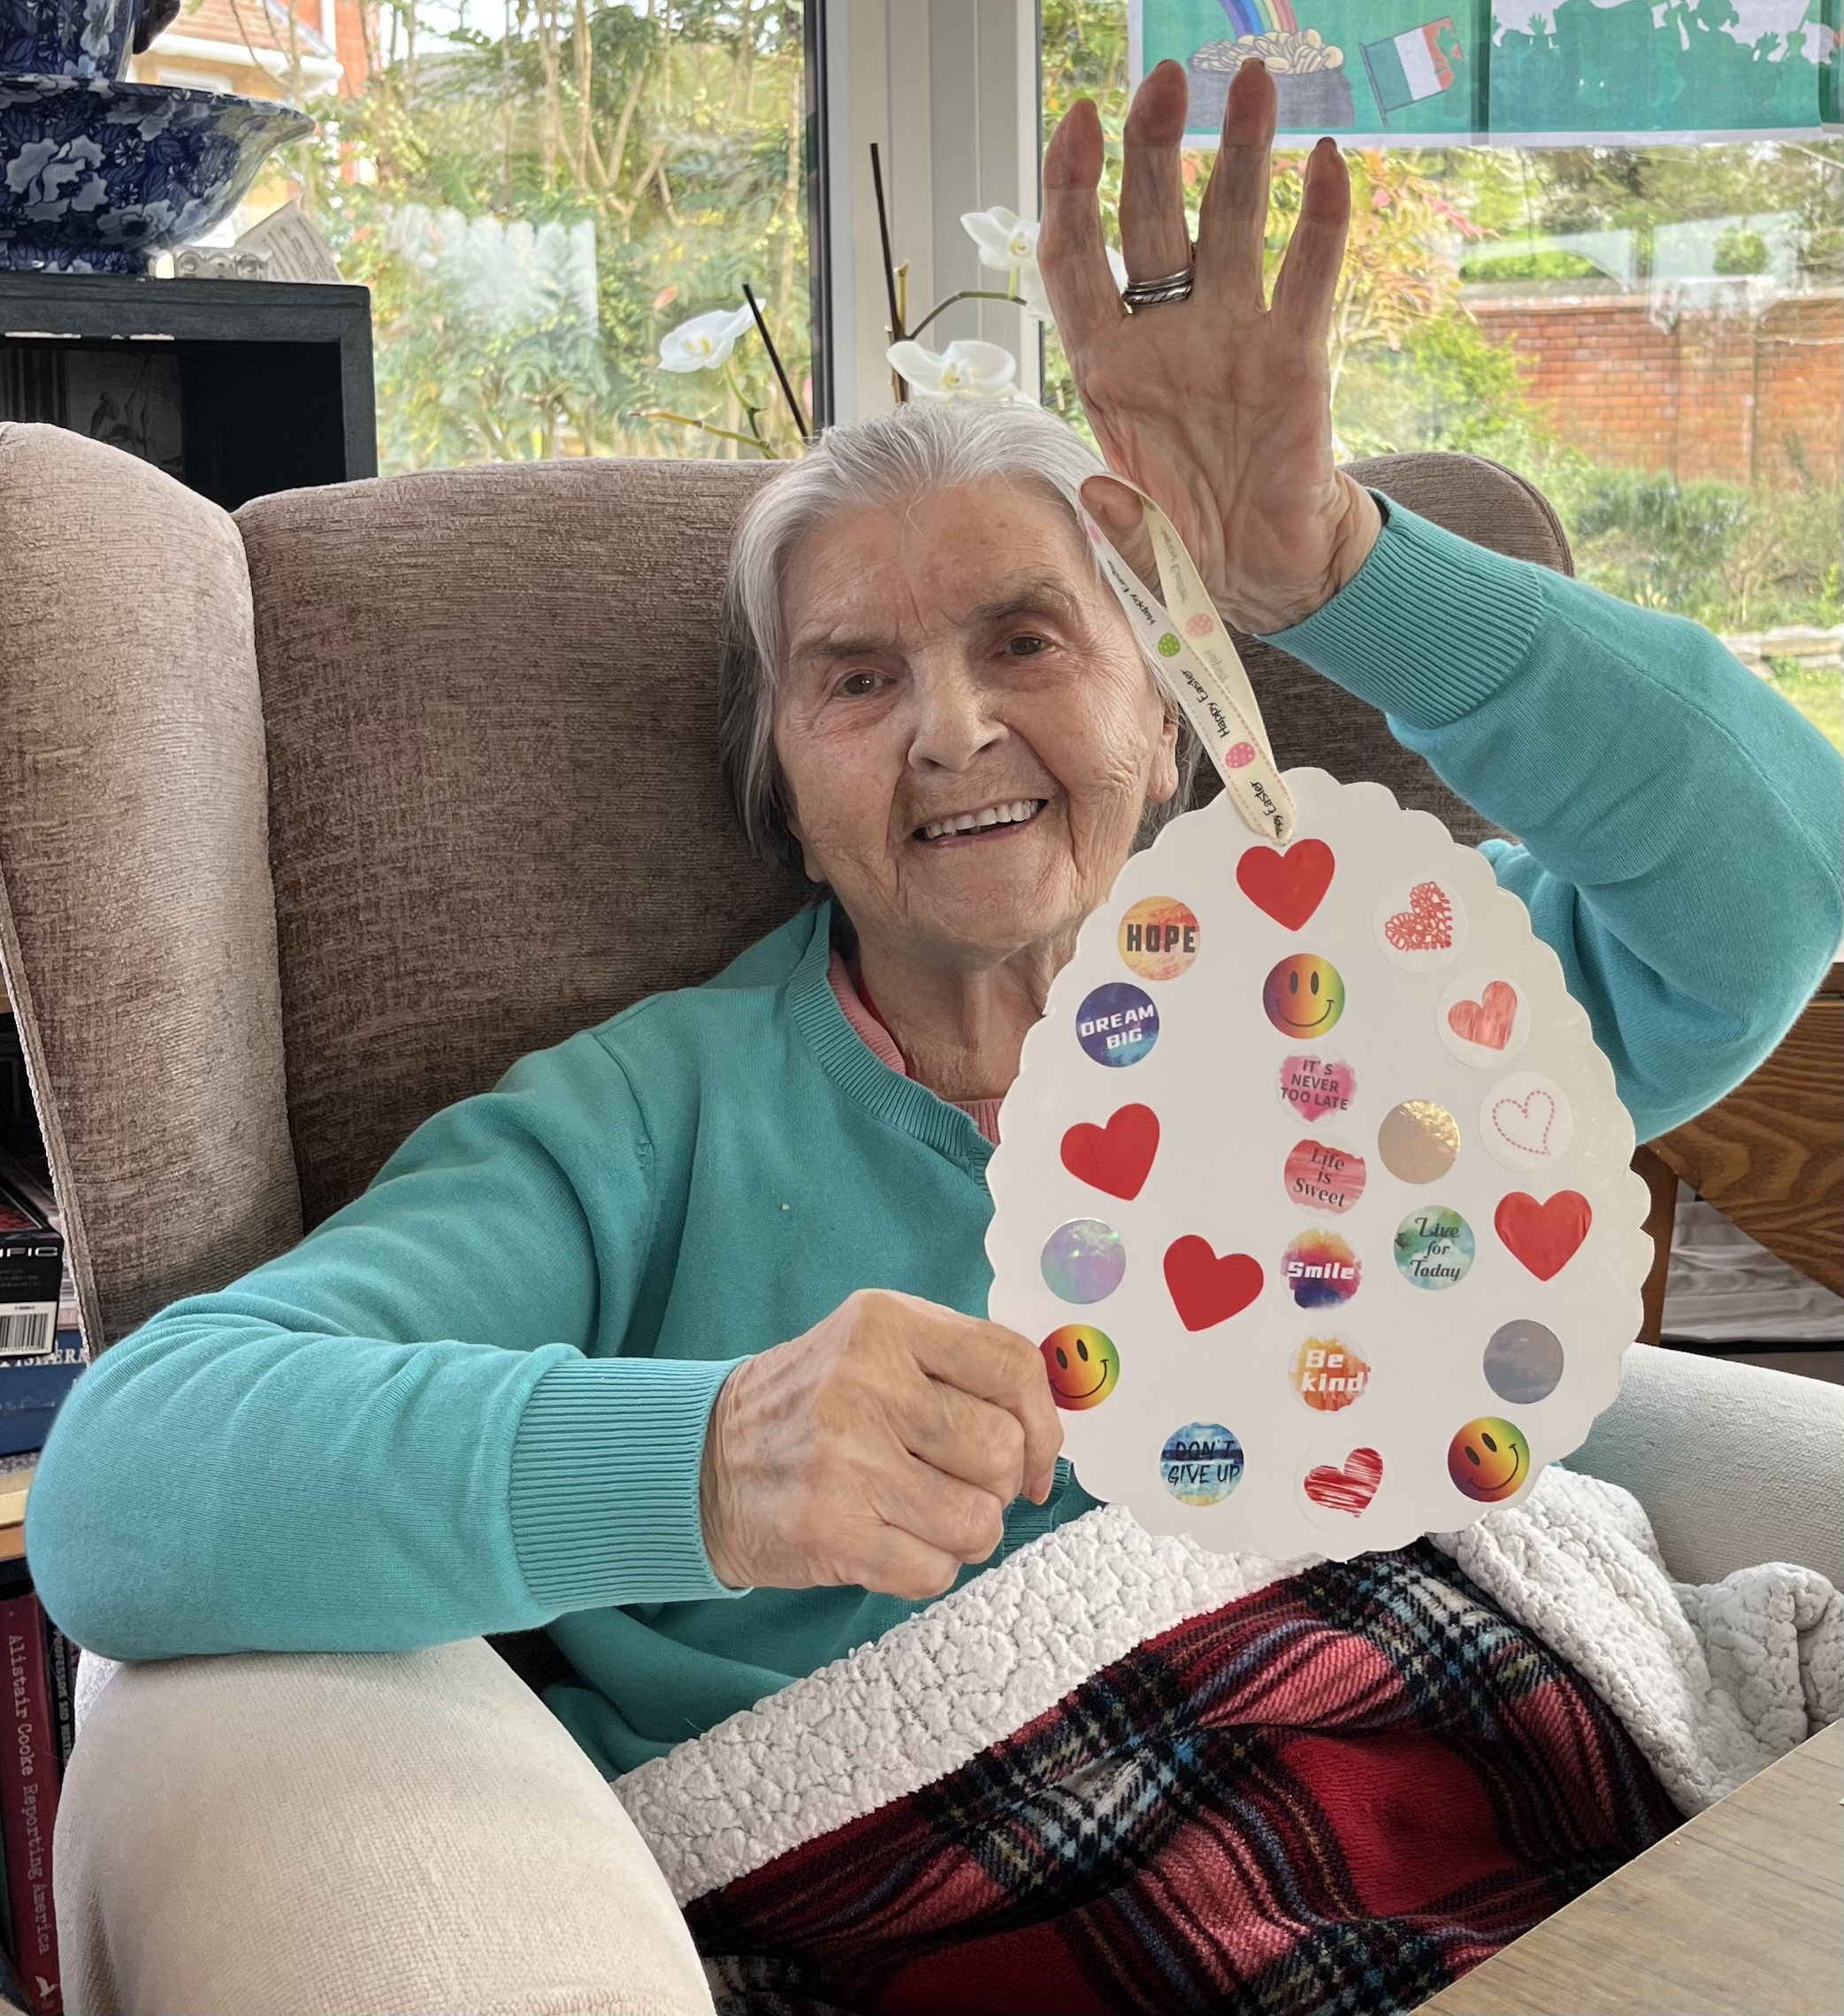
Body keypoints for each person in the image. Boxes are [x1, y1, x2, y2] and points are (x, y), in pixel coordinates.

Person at [26, 60, 1840, 1794]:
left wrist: (1325, 566)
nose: (951, 728)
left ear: (1167, 708)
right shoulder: (643, 1123)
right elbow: (125, 1486)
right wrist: (708, 1459)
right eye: (854, 678)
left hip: (1440, 1771)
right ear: (790, 797)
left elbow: (1761, 886)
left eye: (1026, 639)